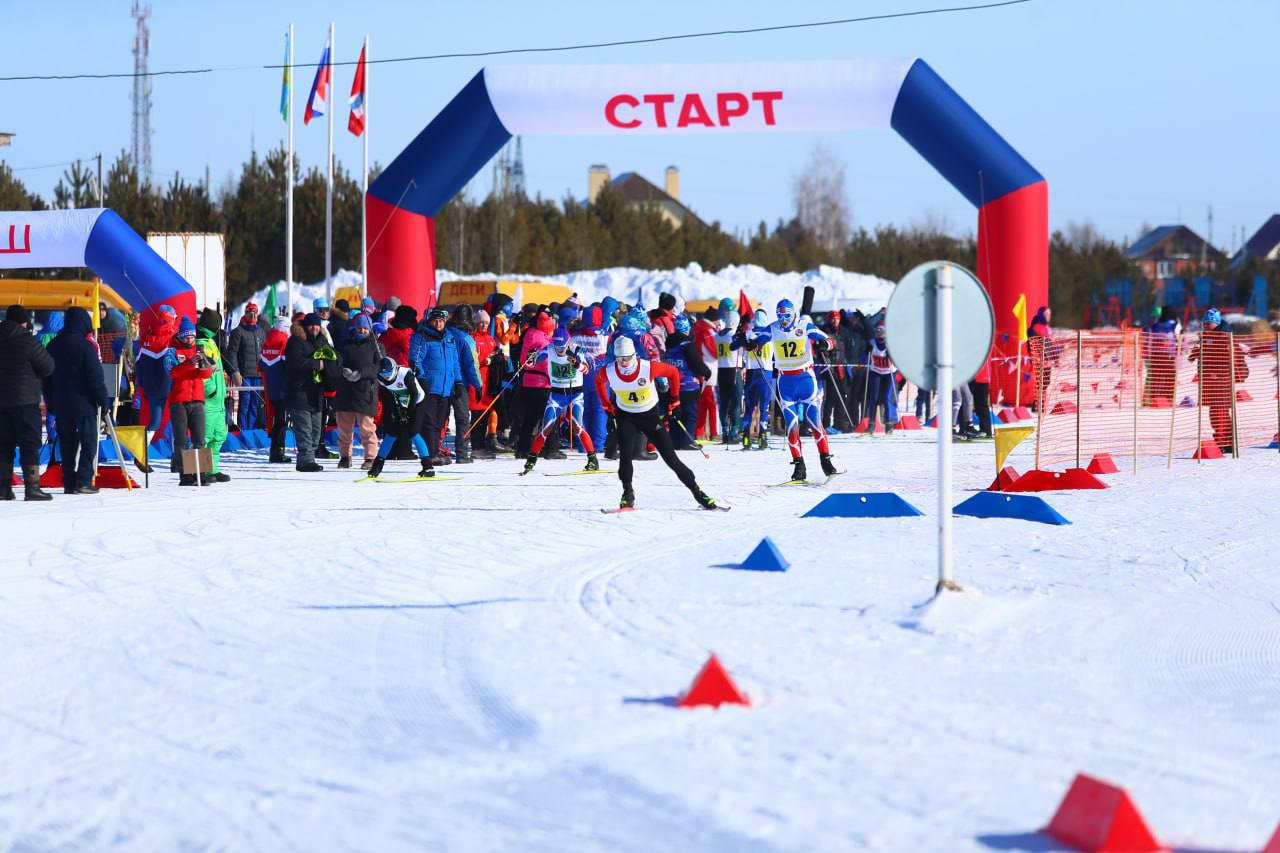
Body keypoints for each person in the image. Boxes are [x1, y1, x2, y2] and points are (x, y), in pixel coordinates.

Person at [594, 336, 720, 510]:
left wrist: (675, 400)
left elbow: (673, 373)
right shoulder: (609, 371)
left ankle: (698, 493)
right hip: (626, 416)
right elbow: (598, 381)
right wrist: (607, 406)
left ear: (634, 355)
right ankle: (627, 494)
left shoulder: (647, 367)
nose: (624, 363)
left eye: (628, 358)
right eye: (620, 359)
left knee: (671, 459)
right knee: (625, 457)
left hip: (650, 416)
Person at [748, 299, 837, 482]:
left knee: (814, 422)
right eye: (780, 316)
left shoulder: (804, 326)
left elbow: (830, 340)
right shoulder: (773, 328)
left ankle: (826, 461)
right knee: (791, 426)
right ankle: (799, 466)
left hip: (806, 380)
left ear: (793, 313)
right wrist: (752, 344)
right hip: (785, 383)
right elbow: (758, 340)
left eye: (787, 316)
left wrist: (825, 345)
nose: (784, 320)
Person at [44, 307, 110, 495]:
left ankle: (69, 481)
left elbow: (46, 379)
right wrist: (103, 400)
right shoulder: (86, 346)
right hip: (84, 403)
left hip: (62, 403)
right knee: (88, 441)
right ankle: (83, 480)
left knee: (66, 443)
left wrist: (50, 402)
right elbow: (95, 377)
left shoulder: (53, 346)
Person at [521, 325, 600, 475]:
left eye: (562, 347)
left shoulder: (576, 350)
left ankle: (593, 459)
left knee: (577, 426)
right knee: (546, 427)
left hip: (575, 394)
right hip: (556, 395)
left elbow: (586, 369)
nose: (559, 350)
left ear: (568, 342)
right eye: (557, 347)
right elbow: (530, 364)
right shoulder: (549, 348)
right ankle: (531, 461)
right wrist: (529, 357)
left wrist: (576, 363)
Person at [410, 307, 482, 465]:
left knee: (440, 421)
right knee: (429, 422)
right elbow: (415, 360)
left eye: (441, 321)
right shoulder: (422, 337)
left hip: (446, 387)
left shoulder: (448, 338)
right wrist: (421, 379)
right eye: (435, 320)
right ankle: (430, 454)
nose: (439, 323)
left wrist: (456, 381)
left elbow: (455, 363)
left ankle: (435, 452)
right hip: (429, 386)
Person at [0, 305, 55, 500]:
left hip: (1, 404)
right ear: (23, 322)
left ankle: (3, 488)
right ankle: (32, 488)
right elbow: (48, 367)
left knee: (3, 445)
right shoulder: (28, 341)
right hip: (25, 402)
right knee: (29, 444)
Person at [1188, 307, 1248, 453]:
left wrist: (1218, 373)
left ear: (1216, 323)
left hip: (1222, 381)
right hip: (1210, 382)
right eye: (1204, 323)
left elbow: (1231, 360)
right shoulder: (1209, 337)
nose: (1205, 326)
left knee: (1219, 412)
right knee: (1216, 412)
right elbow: (1209, 355)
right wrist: (1196, 352)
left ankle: (1222, 441)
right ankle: (1226, 441)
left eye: (1208, 323)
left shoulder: (1224, 337)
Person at [366, 357, 435, 480]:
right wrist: (396, 412)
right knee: (392, 432)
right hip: (401, 402)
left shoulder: (404, 374)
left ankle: (428, 467)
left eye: (388, 373)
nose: (386, 376)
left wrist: (408, 412)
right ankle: (377, 467)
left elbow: (414, 393)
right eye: (383, 373)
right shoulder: (381, 378)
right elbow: (389, 396)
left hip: (417, 402)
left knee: (413, 431)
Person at [164, 317, 213, 486]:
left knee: (200, 438)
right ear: (180, 336)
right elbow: (172, 372)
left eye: (192, 336)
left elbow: (206, 375)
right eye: (186, 337)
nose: (189, 340)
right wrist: (189, 364)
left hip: (197, 400)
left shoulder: (198, 350)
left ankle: (202, 473)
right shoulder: (171, 351)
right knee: (181, 440)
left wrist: (204, 364)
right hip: (179, 401)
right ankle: (185, 474)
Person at [284, 313, 332, 472]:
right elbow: (296, 363)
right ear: (305, 326)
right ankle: (305, 460)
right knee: (304, 429)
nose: (315, 328)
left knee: (316, 430)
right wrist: (318, 364)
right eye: (311, 325)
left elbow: (332, 357)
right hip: (299, 392)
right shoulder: (295, 341)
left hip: (316, 392)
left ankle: (309, 458)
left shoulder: (321, 341)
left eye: (317, 325)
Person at [335, 312, 381, 469]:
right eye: (360, 328)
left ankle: (370, 457)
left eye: (365, 328)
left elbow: (379, 366)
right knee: (344, 429)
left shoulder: (376, 345)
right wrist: (344, 371)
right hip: (345, 391)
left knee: (367, 428)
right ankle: (345, 457)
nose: (362, 331)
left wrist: (361, 373)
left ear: (370, 329)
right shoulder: (345, 344)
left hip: (365, 392)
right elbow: (337, 361)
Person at [663, 313, 713, 450]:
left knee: (675, 414)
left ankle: (674, 441)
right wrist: (706, 372)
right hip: (688, 385)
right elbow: (695, 363)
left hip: (672, 385)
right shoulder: (687, 344)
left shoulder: (669, 343)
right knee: (690, 414)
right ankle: (687, 441)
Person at [195, 309, 231, 484]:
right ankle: (197, 472)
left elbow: (214, 369)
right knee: (204, 436)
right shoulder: (200, 344)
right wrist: (211, 389)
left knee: (218, 436)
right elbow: (203, 370)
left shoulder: (210, 342)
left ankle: (211, 470)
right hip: (208, 399)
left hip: (218, 399)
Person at [514, 310, 555, 459]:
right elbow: (544, 362)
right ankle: (550, 449)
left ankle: (522, 449)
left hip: (528, 382)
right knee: (548, 417)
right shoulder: (542, 340)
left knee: (529, 419)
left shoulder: (530, 335)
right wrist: (554, 376)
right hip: (542, 383)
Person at [732, 308, 775, 449]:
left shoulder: (748, 333)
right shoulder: (771, 333)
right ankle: (762, 437)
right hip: (766, 373)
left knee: (749, 407)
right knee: (764, 407)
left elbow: (733, 346)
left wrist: (739, 338)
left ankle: (746, 436)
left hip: (751, 374)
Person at [570, 304, 611, 454]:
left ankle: (583, 444)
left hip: (581, 374)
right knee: (600, 410)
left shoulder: (575, 334)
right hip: (600, 374)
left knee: (582, 409)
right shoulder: (604, 333)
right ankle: (598, 444)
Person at [226, 301, 267, 432]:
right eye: (250, 313)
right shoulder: (238, 332)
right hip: (245, 374)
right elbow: (232, 353)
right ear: (245, 314)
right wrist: (235, 371)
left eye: (255, 314)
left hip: (258, 374)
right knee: (245, 404)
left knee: (255, 404)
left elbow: (264, 352)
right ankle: (243, 430)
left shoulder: (261, 331)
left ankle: (252, 431)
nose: (253, 316)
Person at [136, 304, 178, 432]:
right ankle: (177, 450)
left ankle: (143, 449)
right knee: (179, 423)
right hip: (173, 386)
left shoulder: (146, 337)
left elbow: (138, 365)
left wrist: (142, 386)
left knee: (154, 423)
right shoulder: (175, 338)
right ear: (172, 319)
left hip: (152, 388)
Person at [468, 308, 500, 458]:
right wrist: (483, 361)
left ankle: (480, 446)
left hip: (489, 383)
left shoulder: (491, 339)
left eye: (486, 323)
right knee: (477, 416)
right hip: (477, 382)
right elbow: (470, 360)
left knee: (485, 415)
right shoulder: (472, 338)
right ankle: (476, 448)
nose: (483, 325)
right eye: (480, 322)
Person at [259, 316, 291, 463]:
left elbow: (261, 365)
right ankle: (278, 451)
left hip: (270, 386)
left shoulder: (267, 342)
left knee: (275, 419)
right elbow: (288, 365)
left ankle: (275, 450)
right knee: (281, 420)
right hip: (283, 386)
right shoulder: (284, 341)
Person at [713, 310, 743, 445]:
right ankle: (734, 432)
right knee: (736, 402)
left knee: (724, 402)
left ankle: (725, 431)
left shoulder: (717, 335)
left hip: (721, 370)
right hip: (734, 370)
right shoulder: (735, 335)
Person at [866, 324, 898, 434]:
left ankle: (889, 425)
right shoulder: (872, 342)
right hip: (876, 372)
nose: (880, 335)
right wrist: (866, 351)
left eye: (882, 333)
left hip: (889, 373)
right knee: (873, 398)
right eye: (878, 332)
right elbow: (864, 354)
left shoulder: (891, 343)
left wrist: (892, 355)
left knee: (887, 397)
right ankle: (871, 424)